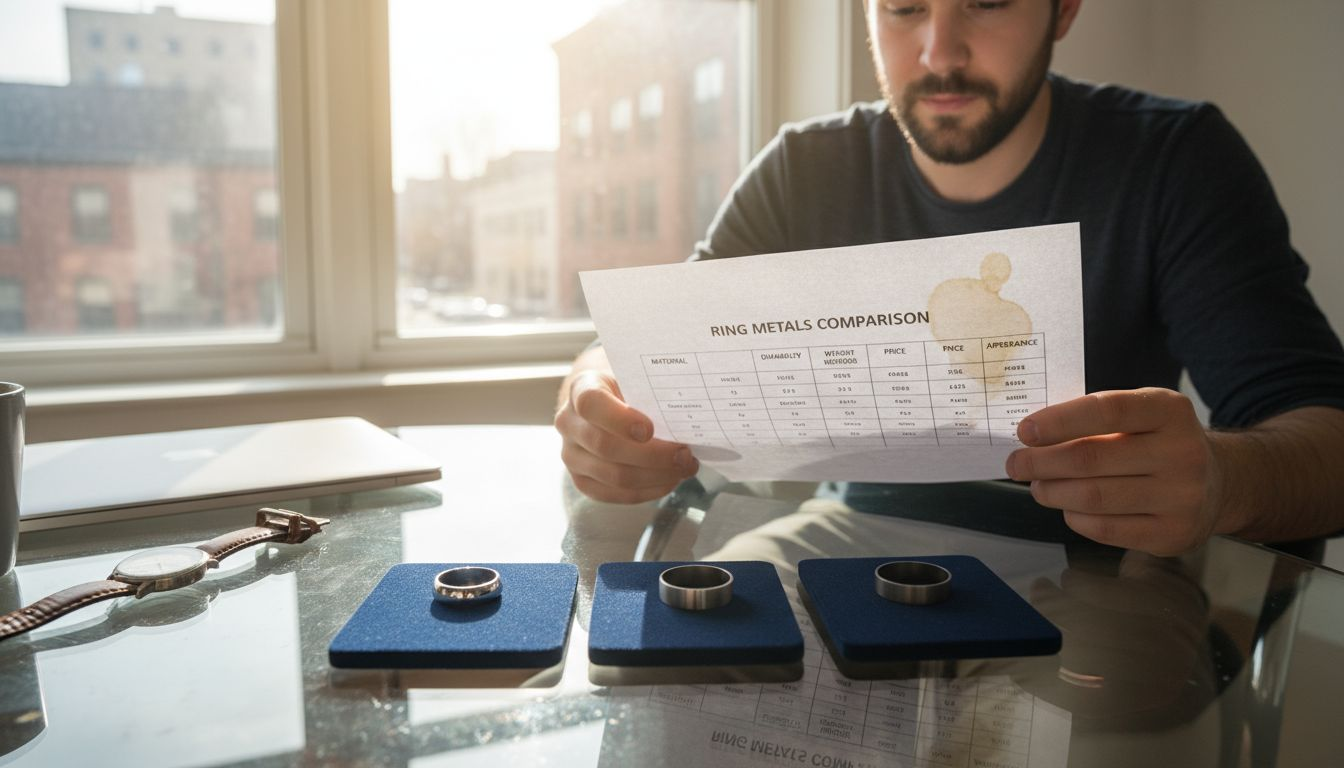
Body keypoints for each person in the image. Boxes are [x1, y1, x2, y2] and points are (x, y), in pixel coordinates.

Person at [554, 0, 1344, 557]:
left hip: (1105, 572)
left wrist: (1221, 480)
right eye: (902, 7)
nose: (939, 52)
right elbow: (650, 352)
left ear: (1064, 9)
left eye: (988, 1)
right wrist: (598, 392)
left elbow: (1326, 433)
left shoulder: (1176, 162)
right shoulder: (808, 168)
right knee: (676, 657)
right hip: (848, 540)